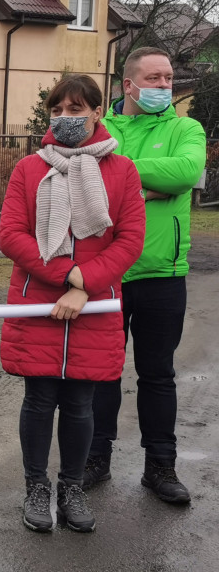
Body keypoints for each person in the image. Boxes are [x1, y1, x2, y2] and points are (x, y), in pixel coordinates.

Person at [0, 75, 146, 534]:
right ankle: (36, 487)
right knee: (39, 400)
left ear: (98, 113)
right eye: (57, 111)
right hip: (39, 302)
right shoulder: (29, 169)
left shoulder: (122, 171)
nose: (65, 118)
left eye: (75, 109)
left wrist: (86, 285)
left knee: (82, 402)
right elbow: (11, 234)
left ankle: (72, 486)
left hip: (94, 305)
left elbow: (130, 239)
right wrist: (65, 276)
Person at [85, 47, 206, 504]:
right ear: (127, 85)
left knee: (158, 374)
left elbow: (188, 171)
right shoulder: (101, 129)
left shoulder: (185, 127)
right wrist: (149, 187)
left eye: (168, 78)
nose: (163, 86)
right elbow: (81, 177)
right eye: (153, 78)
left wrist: (118, 176)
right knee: (100, 373)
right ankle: (95, 458)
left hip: (162, 274)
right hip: (106, 273)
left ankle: (160, 466)